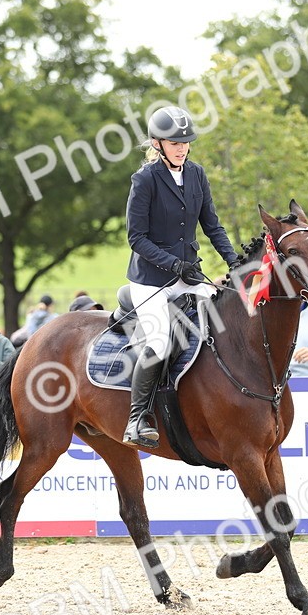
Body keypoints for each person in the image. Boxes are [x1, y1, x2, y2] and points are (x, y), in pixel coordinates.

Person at [122, 105, 241, 447]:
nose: (182, 148)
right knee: (160, 341)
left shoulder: (197, 174)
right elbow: (136, 238)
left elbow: (212, 226)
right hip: (150, 280)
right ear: (158, 144)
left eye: (186, 142)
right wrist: (174, 265)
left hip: (189, 274)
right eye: (175, 143)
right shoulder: (144, 179)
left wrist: (235, 263)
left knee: (222, 326)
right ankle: (137, 418)